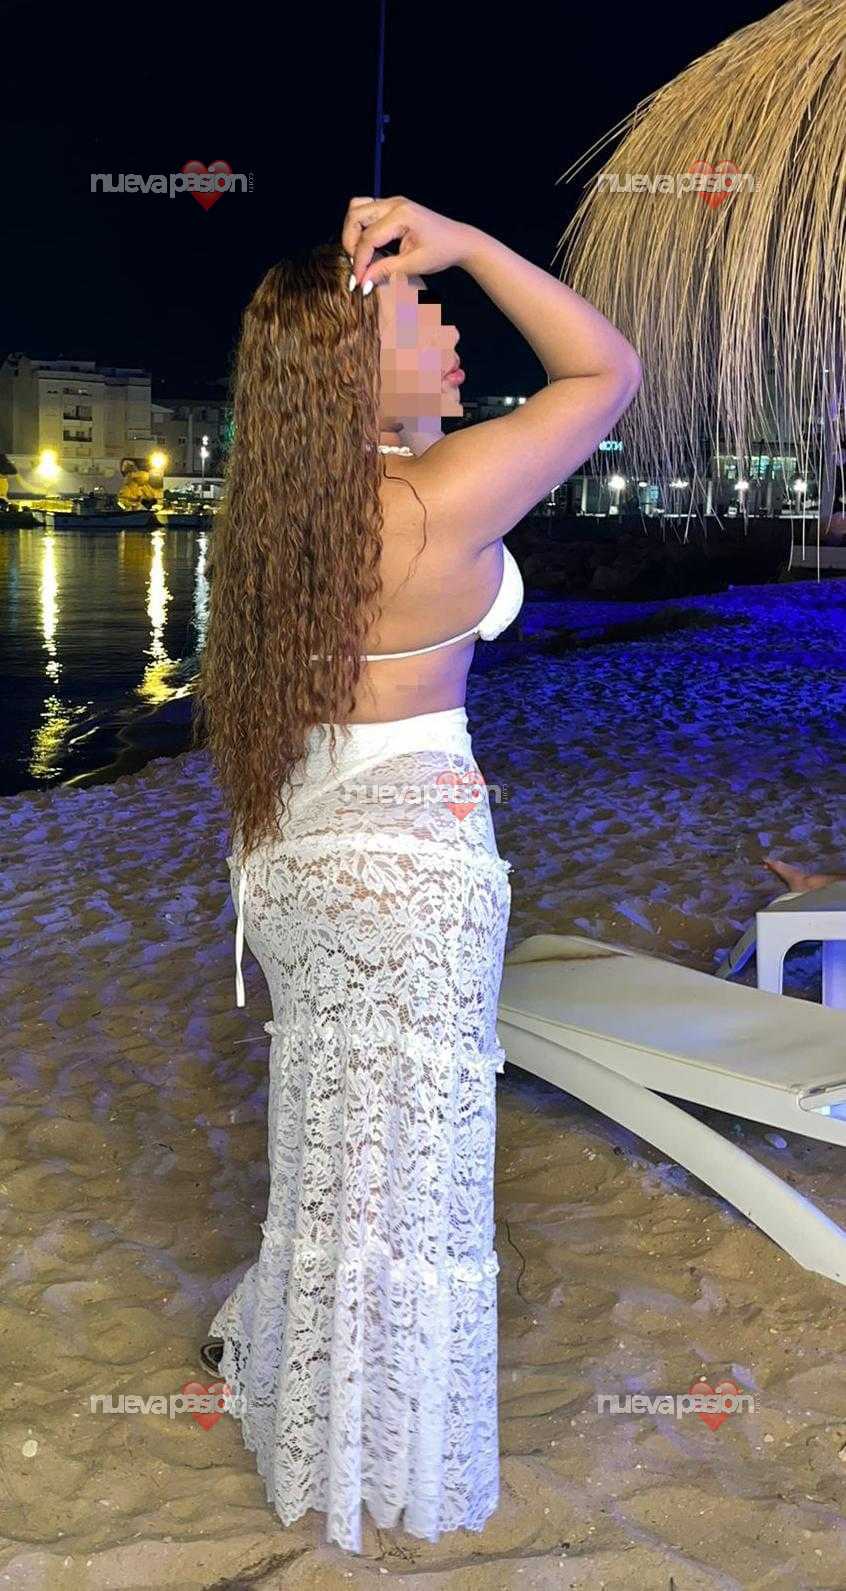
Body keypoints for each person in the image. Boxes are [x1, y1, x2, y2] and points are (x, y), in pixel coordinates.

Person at [194, 194, 641, 1554]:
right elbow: (603, 371)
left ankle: (304, 1383)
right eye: (416, 313)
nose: (447, 325)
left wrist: (404, 333)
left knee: (333, 1144)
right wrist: (475, 243)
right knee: (409, 1169)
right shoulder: (437, 499)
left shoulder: (288, 509)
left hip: (294, 859)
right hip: (405, 865)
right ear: (349, 368)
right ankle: (378, 1447)